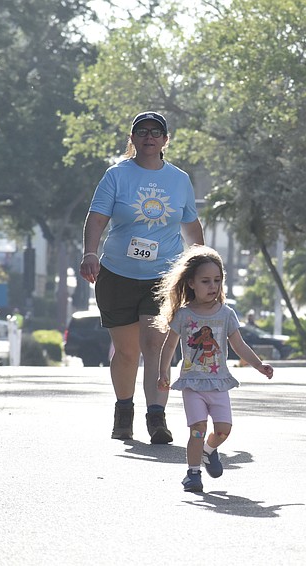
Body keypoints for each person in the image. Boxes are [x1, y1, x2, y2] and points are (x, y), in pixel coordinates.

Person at [79, 111, 205, 444]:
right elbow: (96, 219)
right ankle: (124, 411)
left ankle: (157, 417)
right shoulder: (116, 175)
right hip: (117, 275)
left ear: (165, 140)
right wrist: (90, 253)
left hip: (164, 276)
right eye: (141, 131)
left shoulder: (179, 180)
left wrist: (201, 267)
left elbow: (191, 226)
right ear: (132, 139)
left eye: (155, 132)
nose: (148, 136)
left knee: (155, 344)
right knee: (126, 352)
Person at [156, 246, 274, 492]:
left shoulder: (226, 314)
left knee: (223, 431)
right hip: (192, 383)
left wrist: (259, 365)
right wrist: (163, 372)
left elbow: (239, 345)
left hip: (219, 383)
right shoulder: (184, 315)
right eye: (205, 281)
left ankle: (209, 452)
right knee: (197, 429)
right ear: (191, 283)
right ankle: (193, 474)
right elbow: (169, 346)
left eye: (217, 281)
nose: (212, 286)